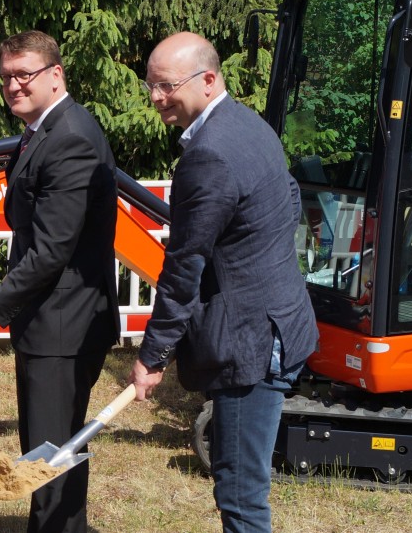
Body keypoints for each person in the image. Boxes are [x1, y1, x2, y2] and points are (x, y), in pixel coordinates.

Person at [127, 32, 318, 533]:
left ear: (208, 81)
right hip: (280, 321)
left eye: (166, 85)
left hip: (251, 343)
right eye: (150, 86)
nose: (155, 97)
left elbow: (184, 265)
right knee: (245, 489)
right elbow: (289, 200)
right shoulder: (252, 125)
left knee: (239, 496)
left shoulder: (209, 154)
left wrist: (152, 357)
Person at [0, 30, 119, 533]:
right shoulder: (44, 129)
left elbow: (52, 250)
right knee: (58, 450)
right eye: (6, 77)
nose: (13, 85)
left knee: (48, 459)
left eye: (24, 74)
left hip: (64, 325)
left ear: (56, 75)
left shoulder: (68, 136)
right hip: (54, 321)